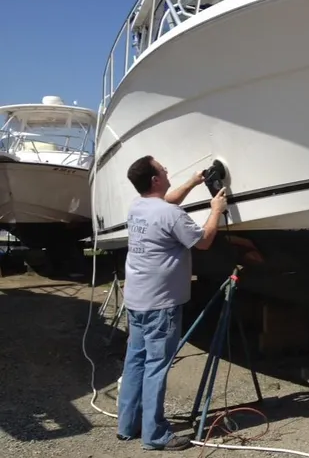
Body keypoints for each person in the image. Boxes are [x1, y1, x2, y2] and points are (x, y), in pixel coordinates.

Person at [117, 156, 227, 450]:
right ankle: (155, 435)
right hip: (161, 304)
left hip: (137, 300)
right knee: (156, 367)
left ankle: (127, 425)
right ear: (154, 179)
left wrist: (194, 180)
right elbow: (203, 241)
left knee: (136, 362)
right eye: (162, 169)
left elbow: (167, 201)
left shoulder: (138, 206)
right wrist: (216, 210)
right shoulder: (171, 215)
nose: (166, 170)